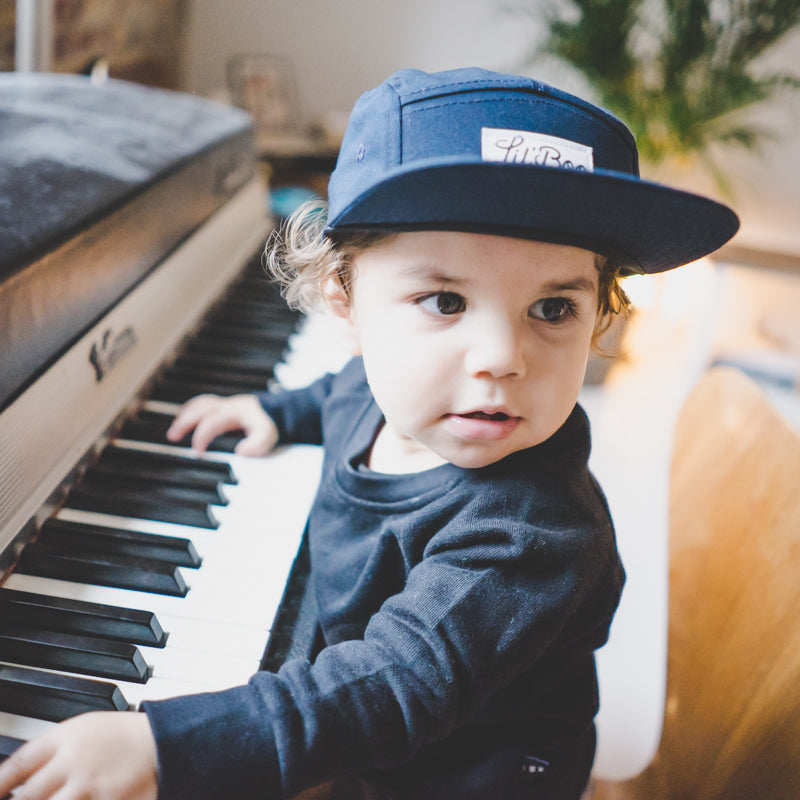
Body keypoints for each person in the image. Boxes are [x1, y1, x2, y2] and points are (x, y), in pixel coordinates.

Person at [0, 67, 738, 800]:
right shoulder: (381, 388)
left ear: (600, 318)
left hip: (466, 779)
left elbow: (388, 688)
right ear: (345, 303)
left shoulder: (532, 535)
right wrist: (278, 411)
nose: (501, 359)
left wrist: (163, 747)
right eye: (445, 299)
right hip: (385, 748)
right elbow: (339, 393)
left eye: (553, 310)